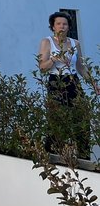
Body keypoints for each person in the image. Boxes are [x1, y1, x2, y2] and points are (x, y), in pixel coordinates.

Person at [38, 11, 99, 159]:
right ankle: (50, 154)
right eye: (58, 24)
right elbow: (42, 67)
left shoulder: (75, 43)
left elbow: (81, 67)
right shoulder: (47, 42)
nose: (62, 27)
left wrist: (93, 83)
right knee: (56, 119)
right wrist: (54, 59)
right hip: (56, 81)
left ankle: (83, 156)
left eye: (64, 24)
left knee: (82, 118)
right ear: (53, 26)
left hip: (73, 82)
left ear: (69, 27)